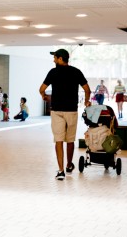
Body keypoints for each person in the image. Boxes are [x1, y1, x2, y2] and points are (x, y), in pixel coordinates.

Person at [39, 49, 91, 181]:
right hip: (71, 111)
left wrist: (44, 96)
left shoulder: (53, 72)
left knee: (58, 140)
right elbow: (87, 89)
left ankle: (61, 171)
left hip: (57, 111)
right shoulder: (76, 71)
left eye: (55, 57)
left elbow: (41, 89)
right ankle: (69, 165)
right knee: (70, 140)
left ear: (60, 59)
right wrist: (86, 101)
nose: (53, 60)